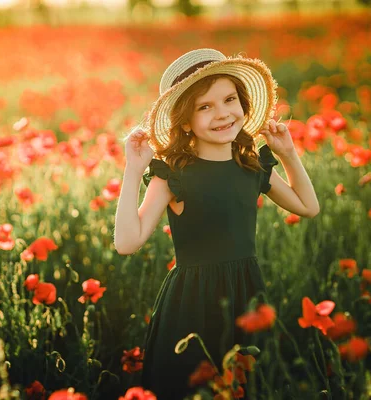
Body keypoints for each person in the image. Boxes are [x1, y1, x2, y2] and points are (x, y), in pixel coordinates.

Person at [113, 48, 320, 400]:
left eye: (229, 100)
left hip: (246, 294)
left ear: (243, 104)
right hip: (192, 303)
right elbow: (127, 243)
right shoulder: (173, 176)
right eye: (204, 107)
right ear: (183, 120)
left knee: (247, 386)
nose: (222, 114)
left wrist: (288, 153)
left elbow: (308, 206)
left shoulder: (250, 166)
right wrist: (133, 171)